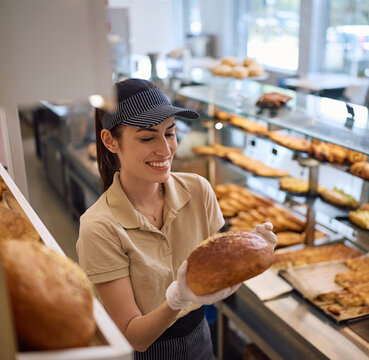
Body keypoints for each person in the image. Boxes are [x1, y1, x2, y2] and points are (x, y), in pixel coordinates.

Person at [76, 78, 276, 359]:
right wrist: (177, 299)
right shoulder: (99, 227)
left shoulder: (198, 190)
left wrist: (246, 256)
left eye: (170, 133)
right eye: (147, 137)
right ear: (111, 141)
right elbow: (134, 337)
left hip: (200, 337)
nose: (165, 149)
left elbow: (212, 271)